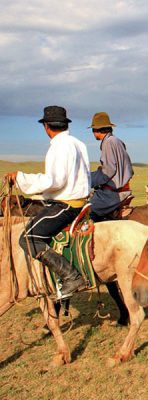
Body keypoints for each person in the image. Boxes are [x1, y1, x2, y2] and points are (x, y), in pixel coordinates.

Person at [5, 106, 90, 299]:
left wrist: (20, 178)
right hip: (79, 201)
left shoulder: (59, 146)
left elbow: (55, 180)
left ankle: (70, 276)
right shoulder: (78, 143)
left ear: (46, 126)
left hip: (66, 204)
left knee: (28, 239)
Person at [88, 112, 134, 221]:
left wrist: (88, 179)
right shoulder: (117, 141)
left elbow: (108, 171)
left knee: (86, 211)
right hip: (121, 189)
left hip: (112, 194)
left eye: (93, 130)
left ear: (96, 130)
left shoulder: (108, 143)